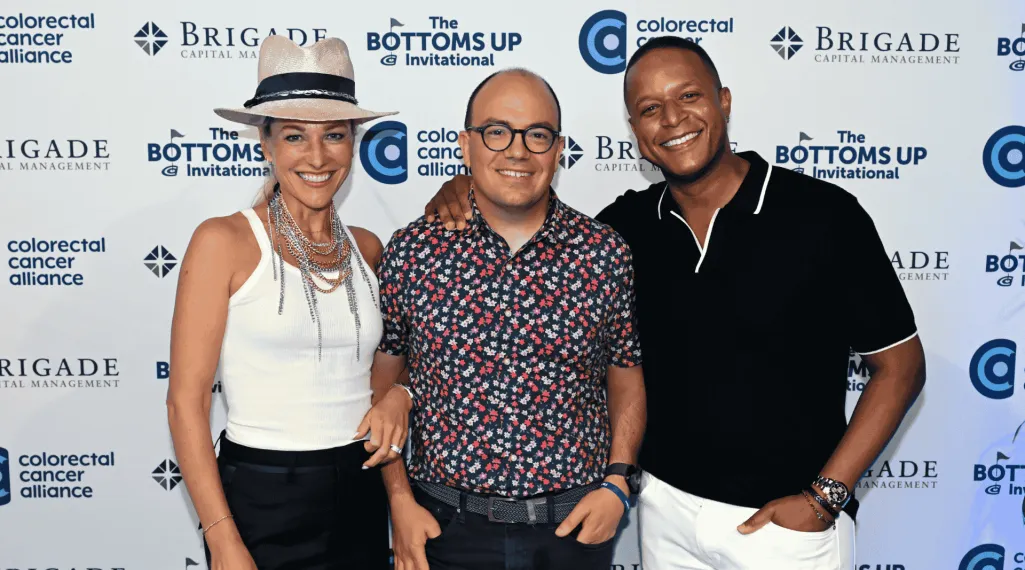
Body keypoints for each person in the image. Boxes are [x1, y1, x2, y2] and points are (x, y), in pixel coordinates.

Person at [424, 36, 927, 570]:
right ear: (637, 135)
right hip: (665, 517)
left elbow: (900, 367)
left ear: (723, 102)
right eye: (649, 109)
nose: (672, 119)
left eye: (688, 97)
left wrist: (825, 498)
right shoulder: (623, 231)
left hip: (787, 527)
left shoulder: (824, 216)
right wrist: (465, 189)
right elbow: (531, 214)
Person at [371, 68, 647, 570]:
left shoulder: (603, 253)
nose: (517, 150)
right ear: (465, 144)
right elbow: (384, 383)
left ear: (558, 149)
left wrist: (618, 481)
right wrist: (398, 499)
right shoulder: (413, 252)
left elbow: (625, 377)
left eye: (537, 134)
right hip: (444, 528)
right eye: (497, 132)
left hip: (572, 530)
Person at [166, 36, 413, 570]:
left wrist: (402, 396)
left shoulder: (369, 248)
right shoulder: (223, 242)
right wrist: (222, 538)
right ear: (266, 142)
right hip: (260, 496)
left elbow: (391, 372)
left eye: (335, 135)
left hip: (360, 487)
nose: (318, 157)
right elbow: (186, 402)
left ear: (354, 143)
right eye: (296, 135)